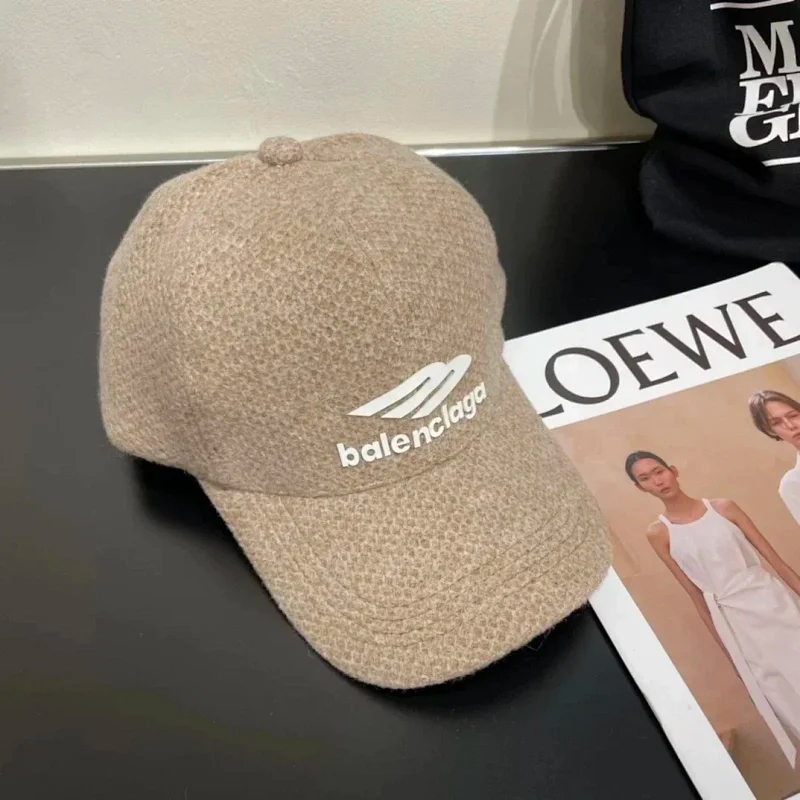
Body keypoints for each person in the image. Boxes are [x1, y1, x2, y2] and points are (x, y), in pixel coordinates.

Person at [625, 450, 800, 765]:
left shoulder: (723, 507)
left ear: (673, 470)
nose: (657, 481)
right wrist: (729, 653)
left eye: (659, 471)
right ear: (641, 488)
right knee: (780, 691)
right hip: (734, 623)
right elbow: (694, 594)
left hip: (773, 602)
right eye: (646, 478)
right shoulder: (659, 533)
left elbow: (774, 559)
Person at [749, 389, 800, 525]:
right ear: (770, 431)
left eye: (793, 416)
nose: (790, 426)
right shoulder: (792, 484)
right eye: (776, 423)